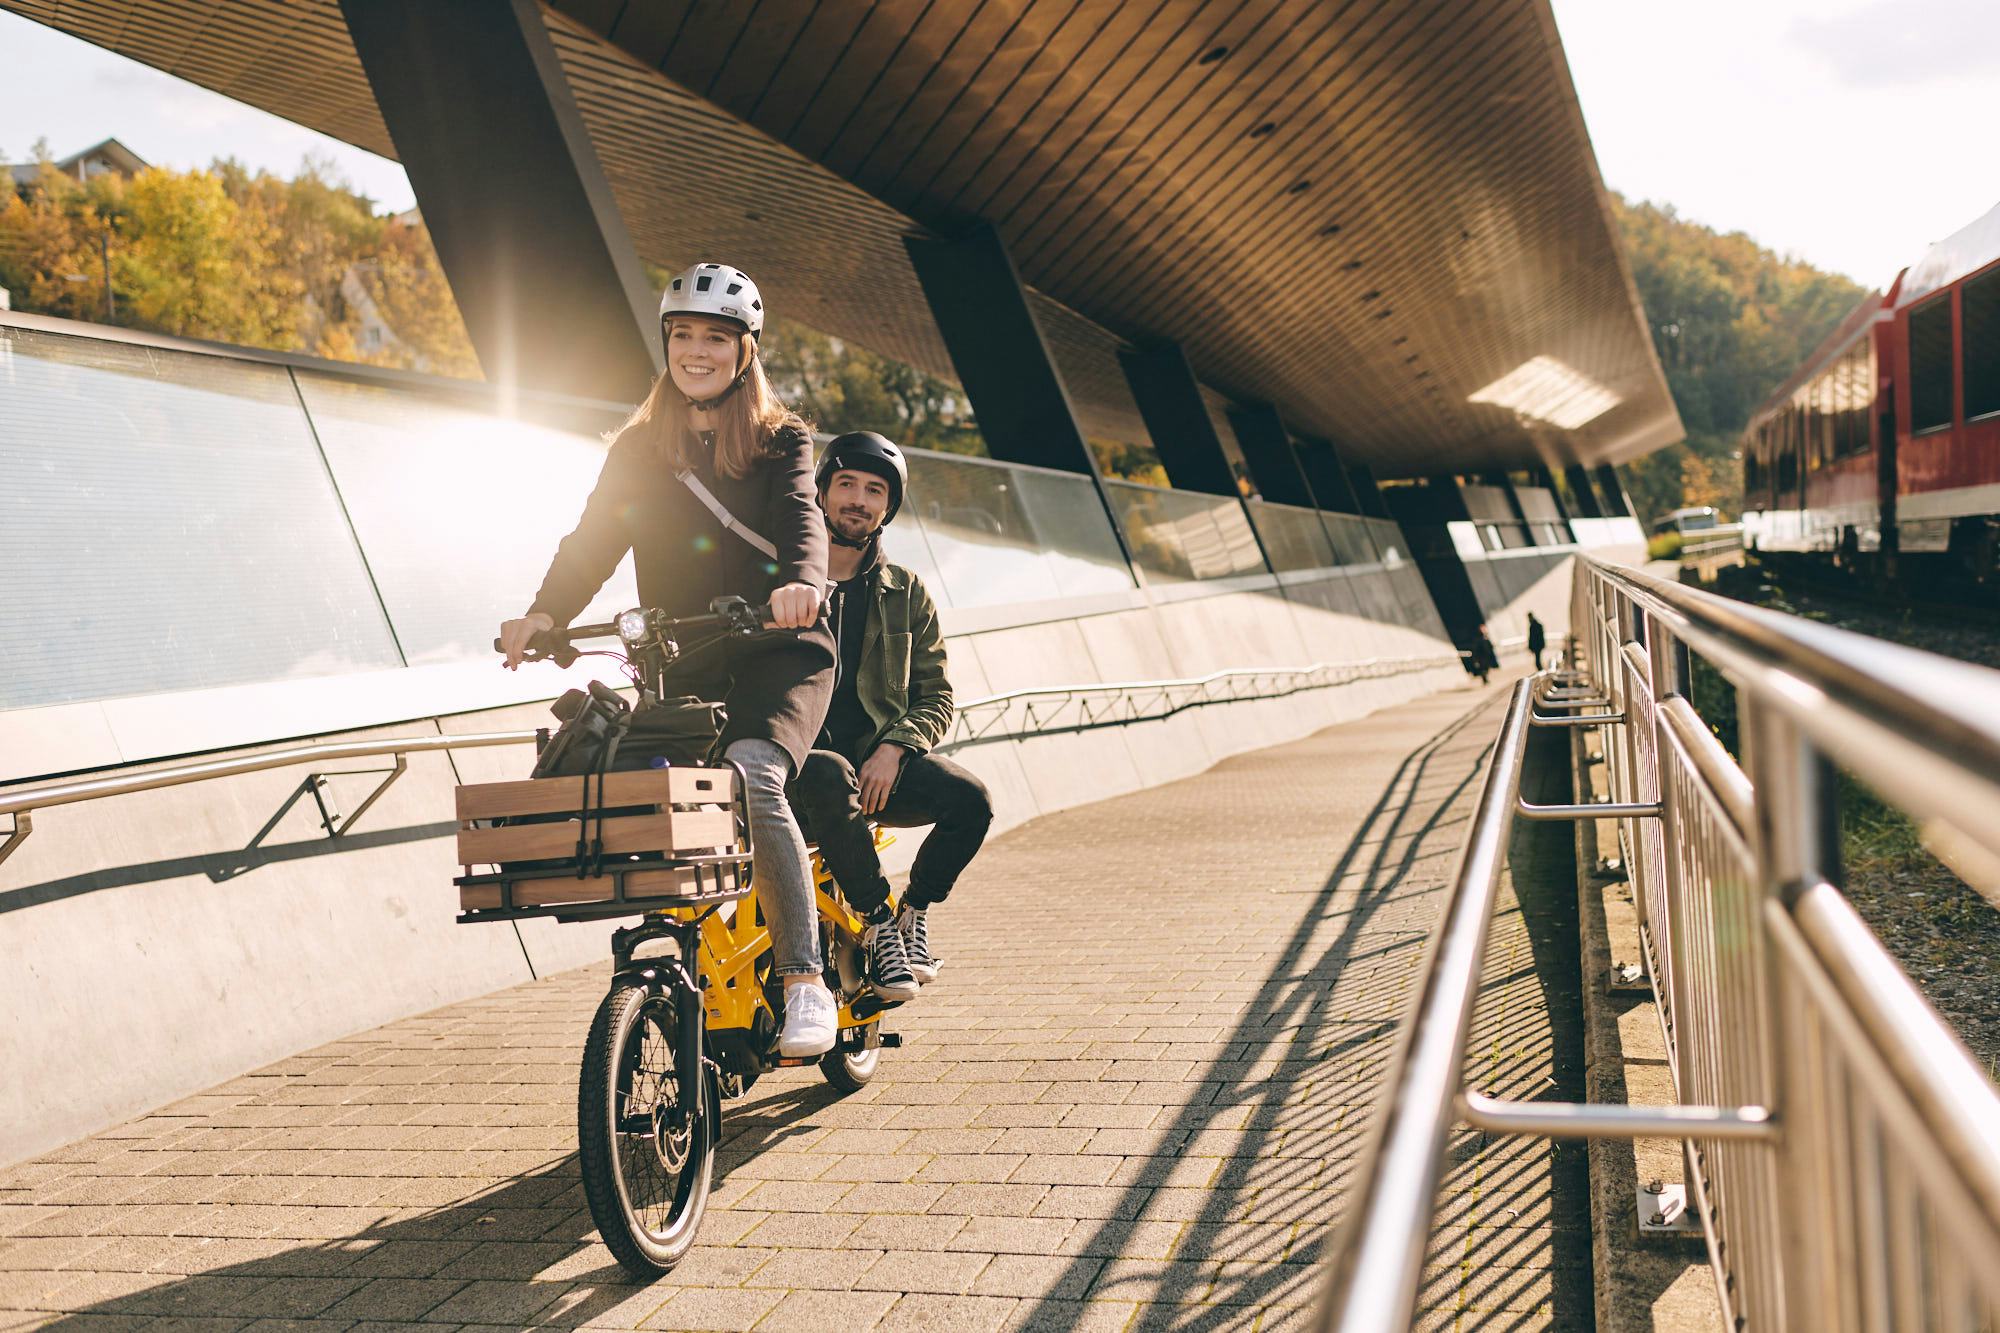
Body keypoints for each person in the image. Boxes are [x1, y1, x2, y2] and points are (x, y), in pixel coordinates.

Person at [497, 262, 842, 1059]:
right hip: (685, 653)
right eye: (682, 334)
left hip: (782, 649)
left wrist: (802, 582)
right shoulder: (637, 449)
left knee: (753, 771)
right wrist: (548, 612)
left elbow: (800, 518)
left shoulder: (781, 438)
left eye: (716, 338)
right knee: (653, 778)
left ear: (745, 351)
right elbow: (591, 542)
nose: (696, 350)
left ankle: (803, 980)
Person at [787, 432, 993, 1000]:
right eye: (846, 484)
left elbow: (936, 696)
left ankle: (911, 915)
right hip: (799, 772)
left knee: (971, 801)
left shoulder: (906, 591)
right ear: (821, 493)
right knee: (825, 771)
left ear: (888, 507)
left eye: (874, 490)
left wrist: (895, 747)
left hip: (879, 770)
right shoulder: (780, 583)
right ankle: (878, 924)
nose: (857, 499)